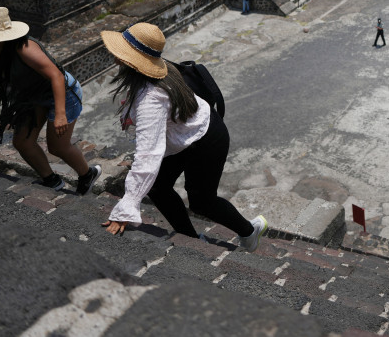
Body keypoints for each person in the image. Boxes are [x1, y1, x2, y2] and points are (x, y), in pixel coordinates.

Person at [99, 23, 267, 250]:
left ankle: (249, 230)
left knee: (201, 201)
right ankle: (191, 239)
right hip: (184, 134)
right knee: (158, 187)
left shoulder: (151, 97)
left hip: (206, 138)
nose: (115, 55)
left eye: (121, 51)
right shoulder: (156, 69)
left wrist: (127, 206)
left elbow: (148, 155)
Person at [0, 6, 99, 194]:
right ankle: (51, 180)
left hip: (63, 94)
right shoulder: (1, 47)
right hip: (35, 95)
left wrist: (60, 114)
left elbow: (56, 76)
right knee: (23, 141)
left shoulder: (25, 48)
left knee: (57, 147)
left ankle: (87, 174)